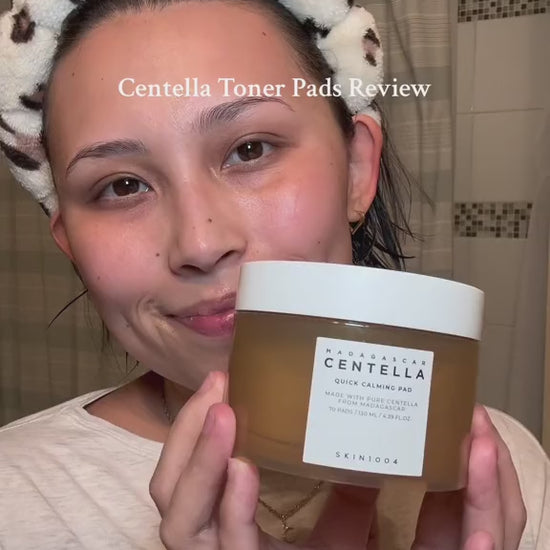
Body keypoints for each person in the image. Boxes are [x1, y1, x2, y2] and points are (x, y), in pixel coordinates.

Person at [0, 0, 546, 549]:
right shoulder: (16, 503)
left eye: (249, 150)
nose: (200, 245)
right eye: (122, 186)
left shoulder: (504, 471)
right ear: (69, 239)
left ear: (356, 170)